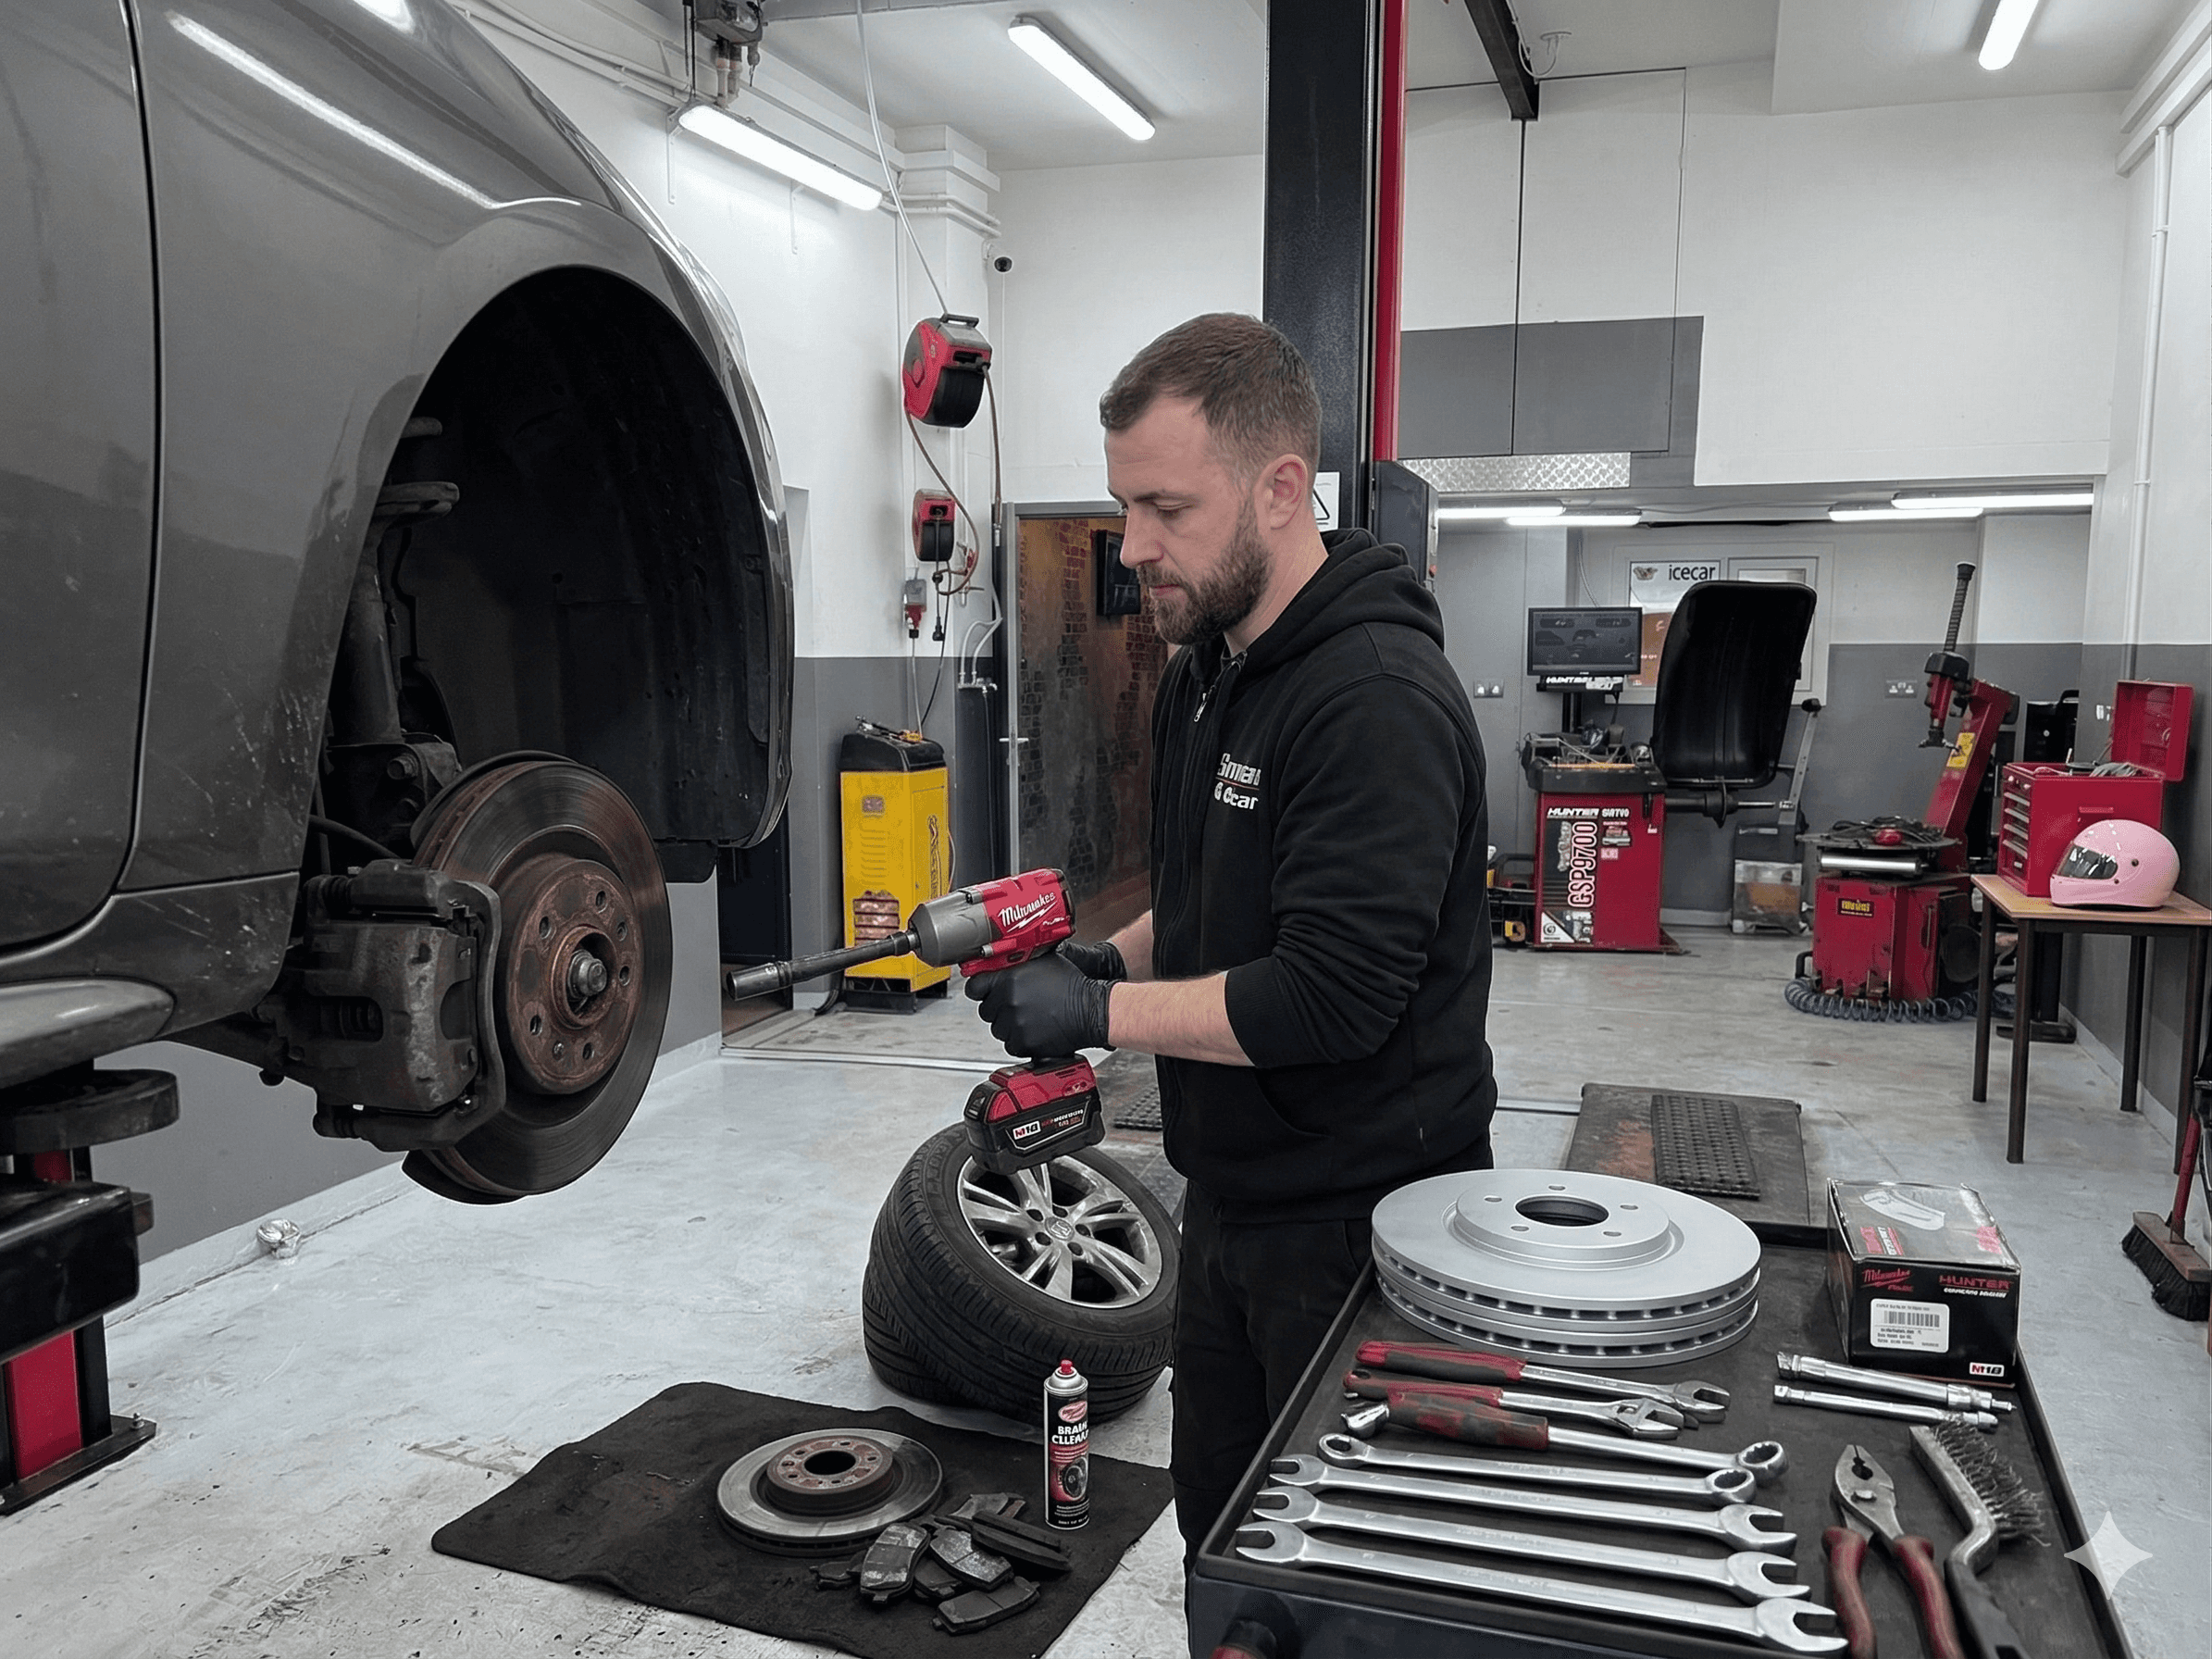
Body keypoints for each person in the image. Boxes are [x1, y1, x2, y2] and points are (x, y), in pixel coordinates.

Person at [967, 312, 1497, 1565]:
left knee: (1341, 1564)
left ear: (1275, 488)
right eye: (1122, 506)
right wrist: (1118, 958)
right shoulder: (1214, 664)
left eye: (1165, 508)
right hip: (1237, 1195)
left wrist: (1093, 1020)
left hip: (1363, 1224)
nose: (1133, 547)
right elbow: (1219, 903)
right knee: (1222, 1529)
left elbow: (1329, 1000)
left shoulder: (1371, 701)